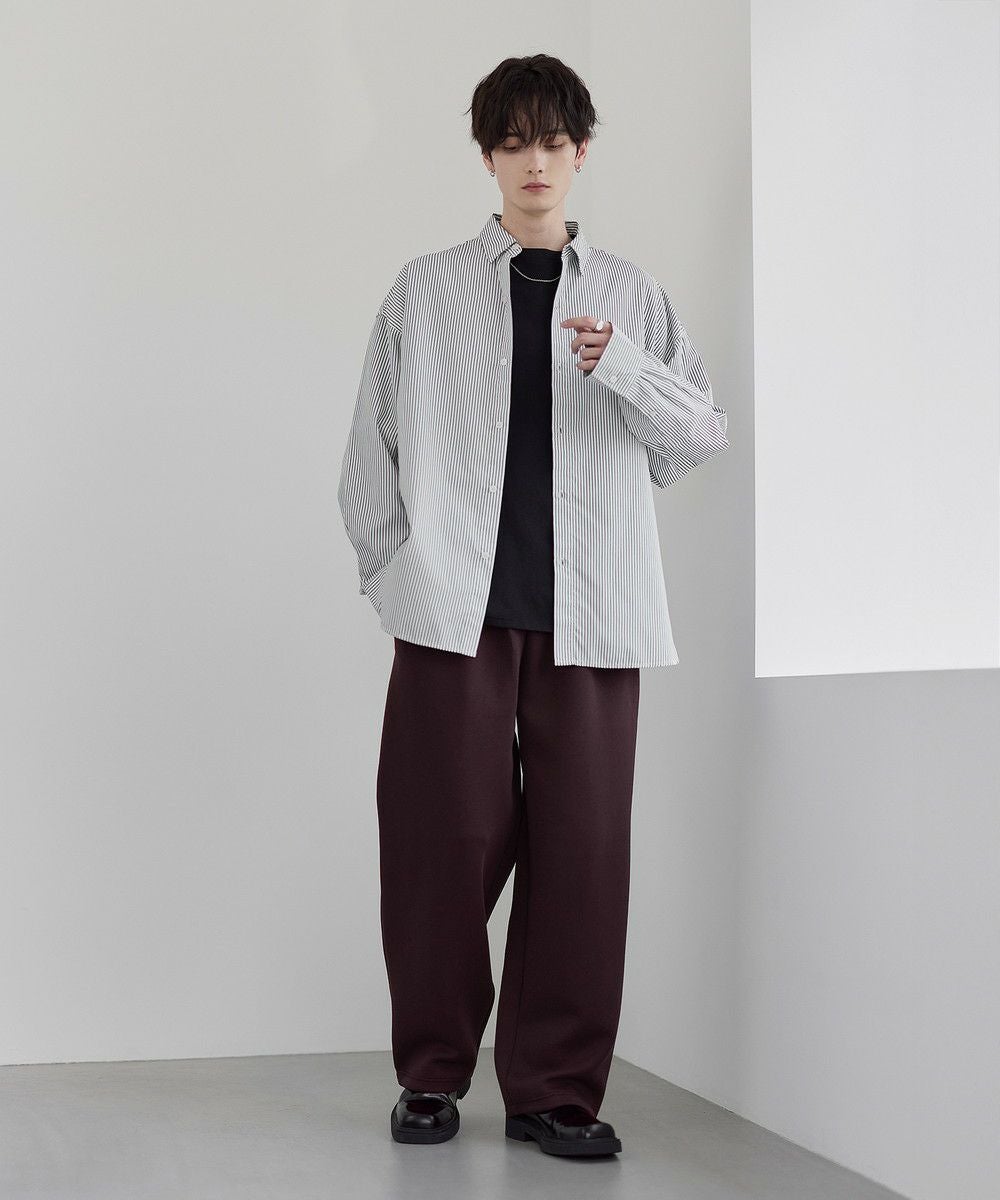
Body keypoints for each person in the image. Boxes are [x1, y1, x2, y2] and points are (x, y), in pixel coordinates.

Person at [337, 53, 729, 1159]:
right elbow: (368, 455)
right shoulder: (424, 290)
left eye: (553, 142)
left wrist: (627, 370)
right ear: (487, 157)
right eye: (513, 143)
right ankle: (430, 1076)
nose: (535, 164)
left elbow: (698, 437)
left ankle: (555, 1092)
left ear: (581, 151)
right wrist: (396, 579)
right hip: (451, 616)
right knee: (439, 843)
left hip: (594, 618)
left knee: (582, 853)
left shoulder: (633, 296)